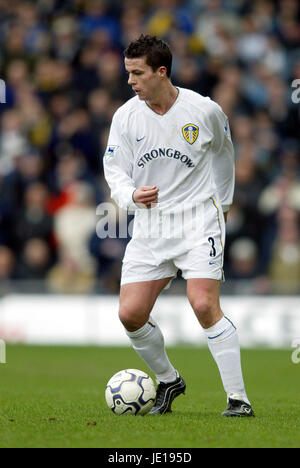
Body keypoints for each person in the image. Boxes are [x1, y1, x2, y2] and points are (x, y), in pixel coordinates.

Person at [103, 34, 254, 417]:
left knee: (203, 303)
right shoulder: (126, 116)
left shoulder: (203, 111)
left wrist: (224, 204)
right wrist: (130, 197)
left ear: (161, 72)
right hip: (151, 227)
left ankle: (238, 400)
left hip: (196, 221)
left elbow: (224, 155)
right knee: (130, 314)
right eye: (128, 73)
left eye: (137, 73)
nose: (130, 81)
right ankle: (169, 381)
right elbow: (115, 169)